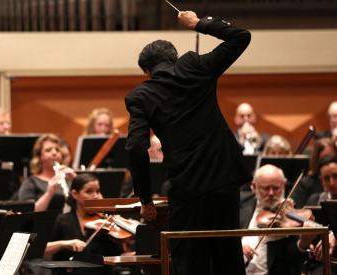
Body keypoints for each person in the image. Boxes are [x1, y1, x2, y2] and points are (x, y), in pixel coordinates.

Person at [125, 10, 251, 275]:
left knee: (189, 263)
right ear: (174, 58)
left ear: (147, 71)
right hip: (223, 179)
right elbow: (241, 36)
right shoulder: (195, 66)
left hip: (187, 187)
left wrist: (146, 200)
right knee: (228, 257)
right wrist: (198, 24)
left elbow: (137, 148)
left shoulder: (141, 96)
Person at [240, 164, 313, 275]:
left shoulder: (290, 216)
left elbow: (292, 260)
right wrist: (236, 246)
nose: (271, 193)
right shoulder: (241, 204)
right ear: (254, 187)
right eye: (266, 188)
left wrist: (303, 243)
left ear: (284, 185)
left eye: (276, 188)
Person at [45, 173, 123, 275]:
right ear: (75, 194)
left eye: (98, 191)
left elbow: (120, 255)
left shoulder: (108, 223)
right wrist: (65, 243)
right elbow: (44, 249)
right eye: (89, 191)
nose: (96, 196)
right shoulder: (63, 220)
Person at [17, 134, 76, 212]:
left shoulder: (69, 178)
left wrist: (77, 181)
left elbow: (87, 206)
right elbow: (27, 213)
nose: (54, 153)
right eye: (48, 150)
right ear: (39, 157)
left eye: (57, 150)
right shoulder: (31, 182)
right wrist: (49, 193)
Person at [292, 138, 337, 208]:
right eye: (326, 178)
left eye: (335, 176)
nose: (332, 183)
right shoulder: (314, 199)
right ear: (321, 180)